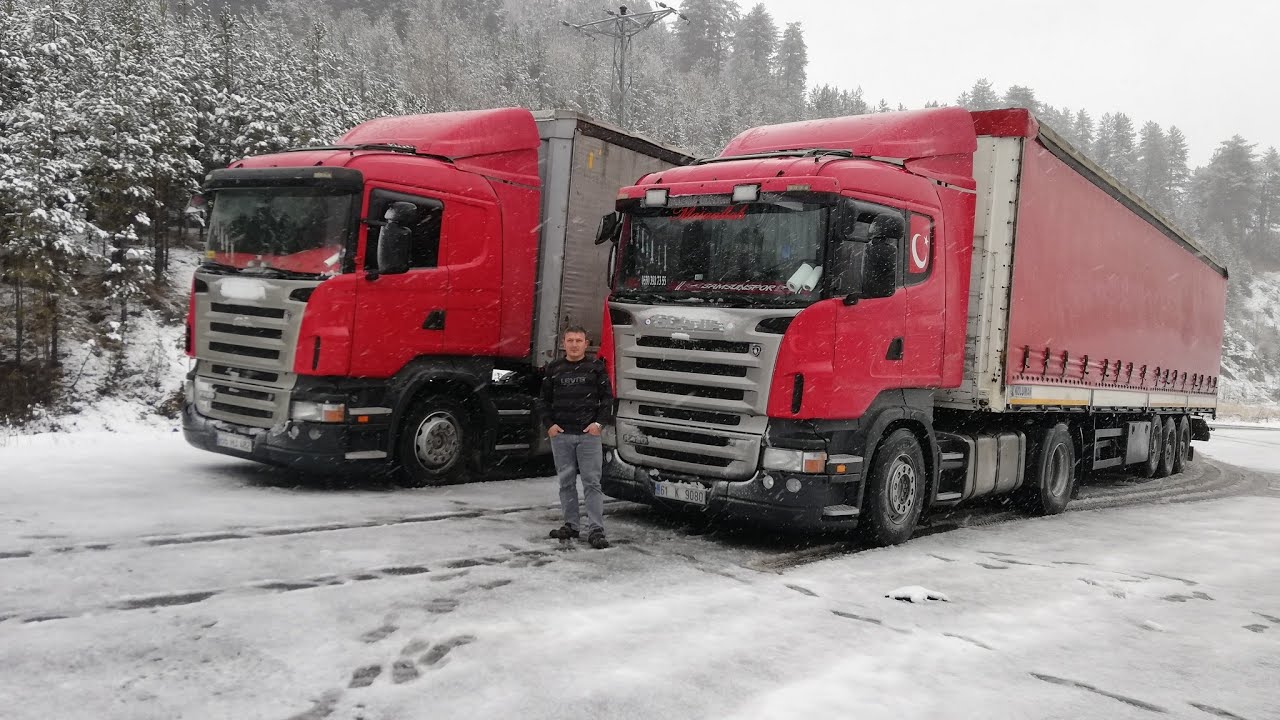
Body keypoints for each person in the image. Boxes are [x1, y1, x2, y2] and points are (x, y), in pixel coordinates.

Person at [538, 325, 613, 549]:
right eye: (570, 340)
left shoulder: (595, 368)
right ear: (563, 343)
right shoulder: (554, 369)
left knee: (592, 483)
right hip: (561, 436)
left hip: (588, 436)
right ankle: (571, 524)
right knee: (566, 483)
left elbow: (608, 400)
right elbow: (543, 401)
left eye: (578, 340)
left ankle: (596, 529)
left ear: (586, 344)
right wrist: (550, 425)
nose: (573, 345)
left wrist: (598, 424)